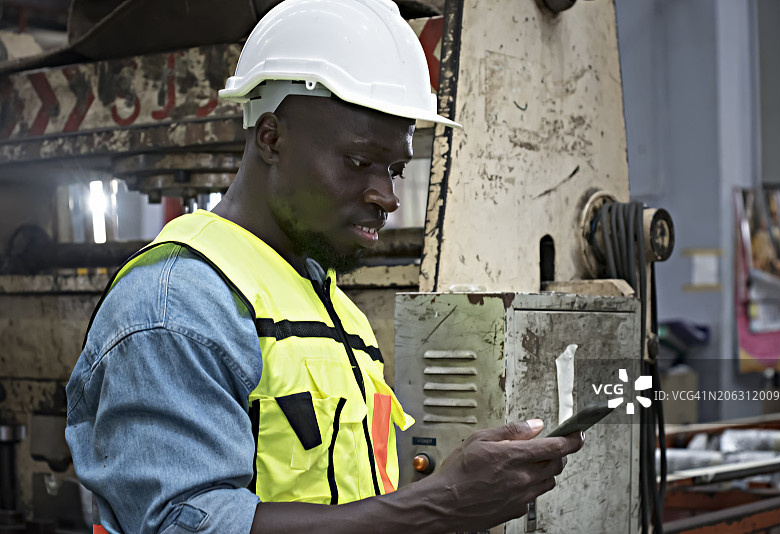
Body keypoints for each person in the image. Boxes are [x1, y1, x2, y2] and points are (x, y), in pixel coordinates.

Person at [65, 1, 584, 532]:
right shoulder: (178, 304)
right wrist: (440, 504)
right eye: (360, 162)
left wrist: (446, 482)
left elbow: (348, 499)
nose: (388, 196)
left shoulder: (334, 309)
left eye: (396, 168)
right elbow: (184, 524)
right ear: (271, 137)